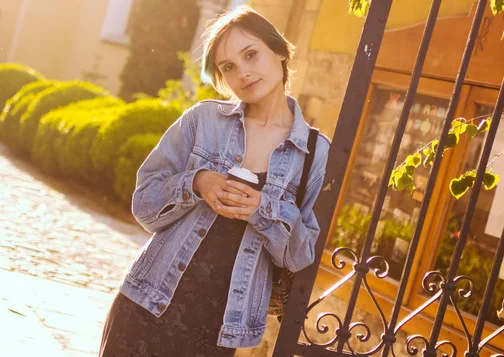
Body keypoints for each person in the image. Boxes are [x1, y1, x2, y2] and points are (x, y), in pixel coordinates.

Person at [98, 5, 330, 357]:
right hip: (146, 304)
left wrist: (261, 209)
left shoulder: (315, 152)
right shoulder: (202, 121)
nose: (244, 73)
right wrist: (196, 181)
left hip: (220, 332)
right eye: (229, 67)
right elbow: (144, 204)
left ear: (280, 51)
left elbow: (302, 255)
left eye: (251, 54)